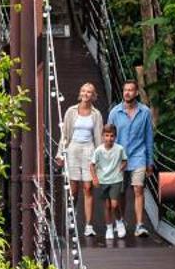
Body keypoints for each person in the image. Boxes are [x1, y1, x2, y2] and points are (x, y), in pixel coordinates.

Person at [106, 80, 154, 238]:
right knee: (120, 192)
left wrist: (150, 161)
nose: (127, 93)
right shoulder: (115, 112)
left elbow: (148, 137)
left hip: (138, 156)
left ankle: (140, 225)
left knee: (138, 189)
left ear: (136, 93)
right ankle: (121, 221)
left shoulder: (145, 112)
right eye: (125, 90)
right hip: (119, 158)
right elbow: (107, 136)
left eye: (131, 90)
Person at [59, 82, 105, 237]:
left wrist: (100, 158)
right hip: (73, 149)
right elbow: (64, 134)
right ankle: (71, 216)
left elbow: (99, 137)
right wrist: (60, 154)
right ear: (80, 93)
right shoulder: (71, 111)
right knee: (73, 189)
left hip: (89, 150)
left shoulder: (96, 114)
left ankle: (88, 225)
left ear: (93, 95)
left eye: (89, 92)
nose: (86, 94)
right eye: (84, 91)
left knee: (88, 187)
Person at [91, 123, 129, 241]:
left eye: (112, 136)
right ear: (103, 136)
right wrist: (95, 178)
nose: (109, 138)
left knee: (114, 204)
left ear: (115, 137)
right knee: (107, 205)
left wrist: (121, 167)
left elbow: (125, 160)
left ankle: (119, 222)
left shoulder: (119, 149)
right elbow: (92, 165)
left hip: (116, 180)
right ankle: (109, 227)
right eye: (106, 136)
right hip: (103, 180)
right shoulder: (98, 150)